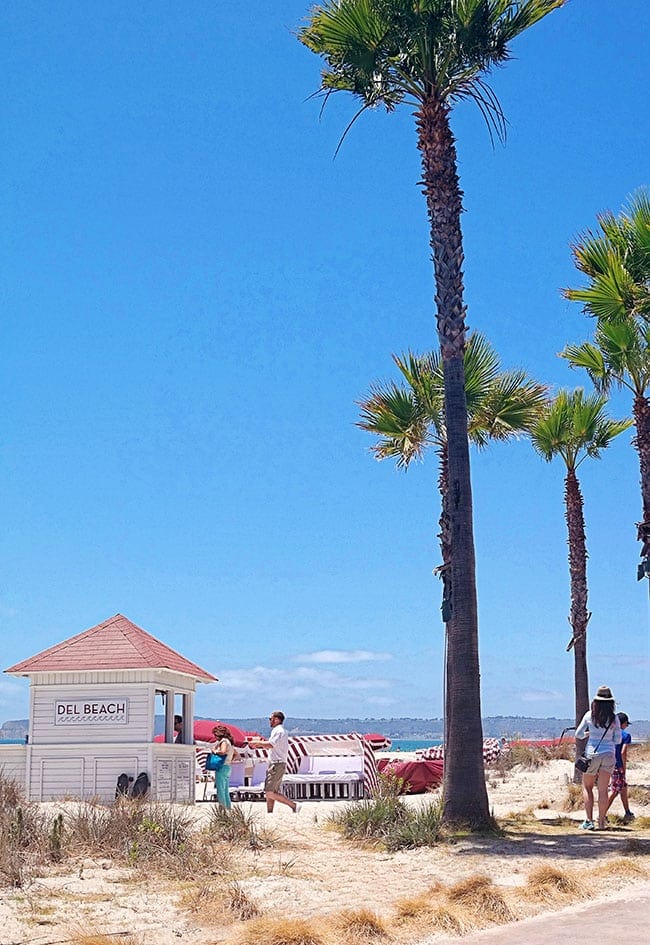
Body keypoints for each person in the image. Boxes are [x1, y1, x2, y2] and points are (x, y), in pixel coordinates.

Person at [575, 685, 622, 831]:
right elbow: (618, 739)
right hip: (609, 755)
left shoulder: (590, 715)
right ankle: (601, 822)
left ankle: (589, 821)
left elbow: (578, 734)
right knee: (603, 790)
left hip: (591, 754)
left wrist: (589, 735)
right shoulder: (614, 718)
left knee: (587, 787)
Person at [259, 711, 301, 814]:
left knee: (269, 792)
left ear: (277, 719)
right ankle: (270, 812)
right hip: (277, 763)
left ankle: (293, 805)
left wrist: (258, 743)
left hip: (276, 764)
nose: (270, 721)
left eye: (270, 719)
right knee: (272, 791)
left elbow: (270, 744)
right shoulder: (280, 731)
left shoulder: (278, 731)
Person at [607, 712, 634, 822]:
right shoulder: (626, 736)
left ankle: (627, 812)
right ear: (623, 723)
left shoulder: (610, 734)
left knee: (623, 788)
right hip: (618, 765)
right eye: (626, 724)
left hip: (608, 763)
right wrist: (623, 767)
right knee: (614, 791)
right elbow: (623, 752)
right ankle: (602, 813)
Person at [210, 725, 237, 809]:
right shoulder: (229, 742)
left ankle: (223, 809)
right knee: (225, 790)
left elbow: (223, 752)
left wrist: (214, 751)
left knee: (220, 790)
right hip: (228, 766)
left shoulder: (224, 741)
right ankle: (228, 808)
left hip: (222, 767)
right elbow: (236, 754)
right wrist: (229, 760)